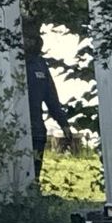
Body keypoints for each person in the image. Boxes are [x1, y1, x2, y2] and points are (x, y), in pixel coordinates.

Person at [24, 20, 74, 180]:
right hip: (17, 129)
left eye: (32, 38)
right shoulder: (12, 62)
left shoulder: (40, 64)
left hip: (37, 130)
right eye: (26, 38)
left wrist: (64, 124)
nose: (29, 42)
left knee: (34, 176)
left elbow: (51, 97)